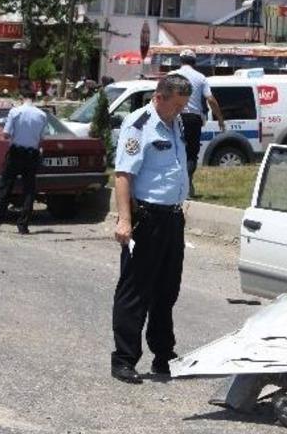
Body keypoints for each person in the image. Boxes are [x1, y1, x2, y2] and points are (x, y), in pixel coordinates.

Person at [110, 74, 192, 384]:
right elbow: (123, 175)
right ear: (159, 98)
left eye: (183, 106)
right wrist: (124, 219)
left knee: (167, 290)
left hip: (172, 218)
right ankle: (124, 359)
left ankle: (163, 355)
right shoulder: (140, 124)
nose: (180, 111)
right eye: (177, 105)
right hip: (147, 218)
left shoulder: (176, 122)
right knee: (135, 291)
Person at [0, 87, 48, 235]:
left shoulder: (15, 112)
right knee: (29, 189)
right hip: (32, 154)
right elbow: (42, 138)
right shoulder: (42, 115)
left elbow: (6, 134)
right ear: (34, 99)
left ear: (21, 98)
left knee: (5, 187)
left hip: (16, 152)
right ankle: (23, 225)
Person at [171, 49, 223, 198]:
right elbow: (211, 99)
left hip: (174, 117)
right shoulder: (201, 78)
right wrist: (220, 118)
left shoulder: (171, 76)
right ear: (194, 62)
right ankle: (187, 185)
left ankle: (175, 186)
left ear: (180, 61)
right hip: (193, 119)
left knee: (174, 151)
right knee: (191, 154)